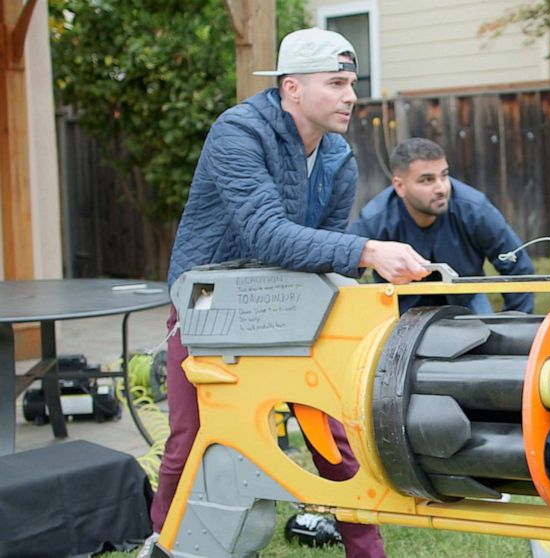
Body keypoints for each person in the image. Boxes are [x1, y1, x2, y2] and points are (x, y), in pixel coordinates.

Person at [142, 28, 429, 558]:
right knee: (192, 436)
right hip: (208, 303)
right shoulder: (238, 132)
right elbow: (267, 234)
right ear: (292, 88)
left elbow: (316, 247)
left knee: (334, 439)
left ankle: (368, 553)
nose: (350, 95)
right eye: (336, 83)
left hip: (285, 306)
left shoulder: (339, 156)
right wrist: (368, 252)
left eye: (351, 83)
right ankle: (165, 541)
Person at [348, 138, 535, 314]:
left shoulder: (475, 209)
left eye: (444, 176)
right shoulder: (374, 220)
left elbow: (519, 269)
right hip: (400, 307)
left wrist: (512, 328)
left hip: (466, 299)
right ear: (400, 186)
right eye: (427, 180)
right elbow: (342, 271)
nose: (442, 188)